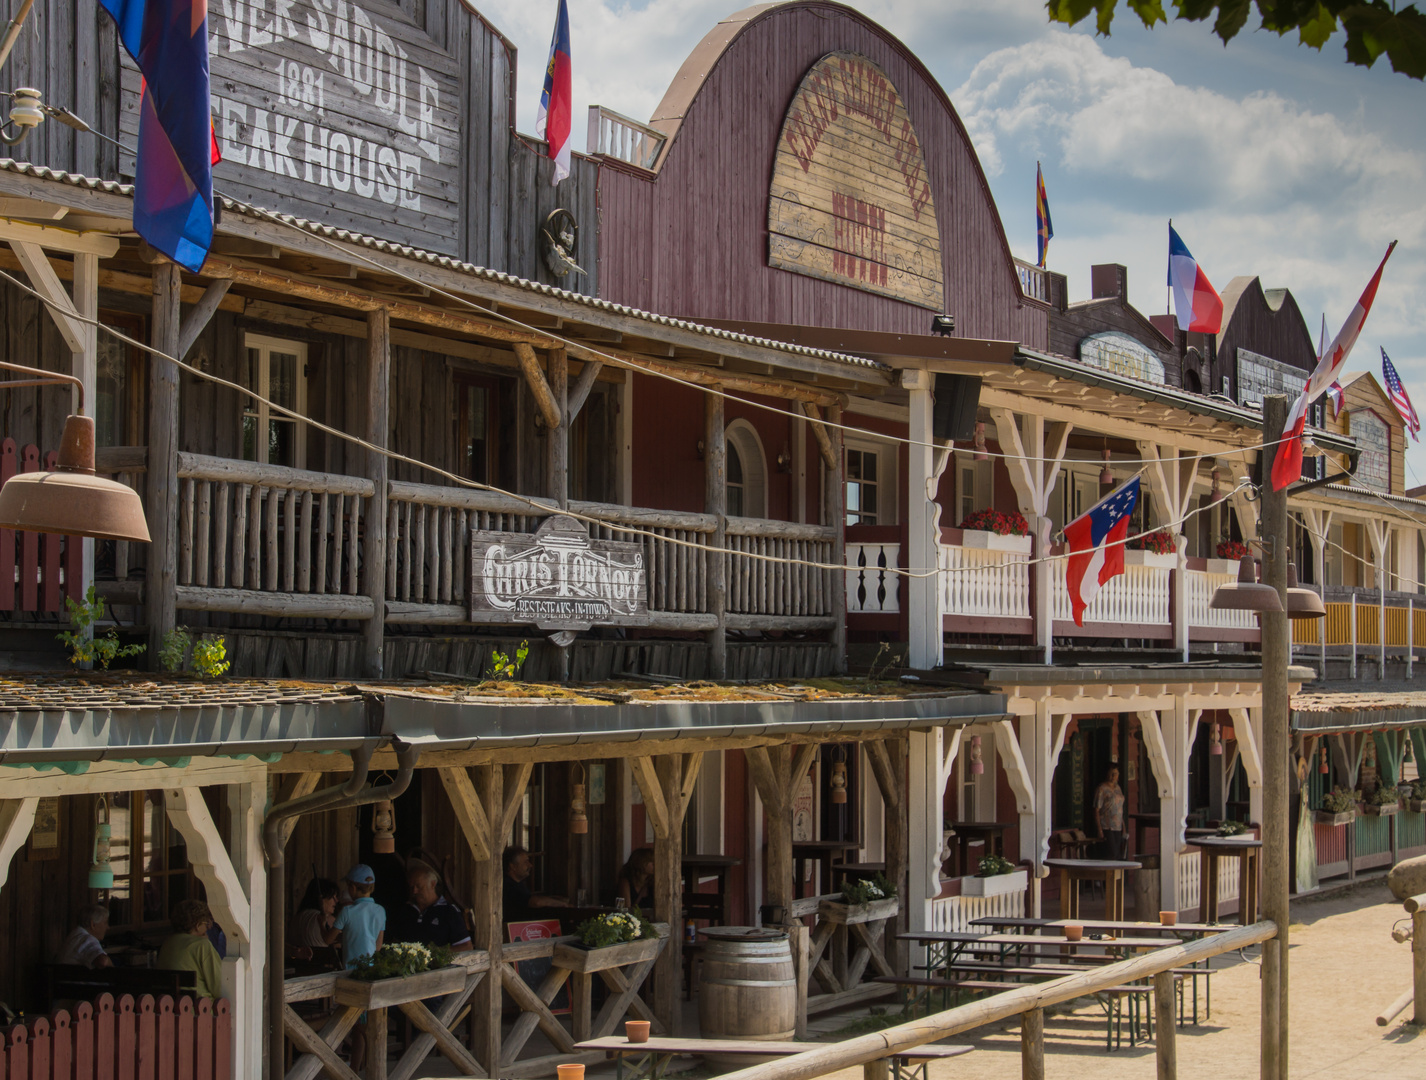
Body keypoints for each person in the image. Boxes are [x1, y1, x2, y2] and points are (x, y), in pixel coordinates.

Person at [389, 862, 472, 950]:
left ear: (433, 884)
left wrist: (435, 953)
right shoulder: (406, 910)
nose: (414, 891)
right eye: (412, 887)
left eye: (419, 886)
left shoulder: (449, 911)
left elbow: (466, 946)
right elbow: (394, 941)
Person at [157, 900, 224, 1000]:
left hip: (170, 1008)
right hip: (200, 1010)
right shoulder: (202, 945)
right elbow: (220, 988)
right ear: (198, 926)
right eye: (206, 924)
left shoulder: (167, 942)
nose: (208, 928)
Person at [326, 865, 385, 964]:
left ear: (352, 888)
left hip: (350, 972)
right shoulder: (380, 911)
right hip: (370, 969)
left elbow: (328, 940)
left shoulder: (347, 911)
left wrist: (321, 923)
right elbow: (378, 946)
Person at [501, 846, 566, 923]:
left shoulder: (519, 884)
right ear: (512, 866)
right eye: (525, 862)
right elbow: (535, 902)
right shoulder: (508, 885)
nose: (530, 865)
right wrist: (564, 905)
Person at [291, 877, 339, 959]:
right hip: (324, 968)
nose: (336, 900)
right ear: (321, 899)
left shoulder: (297, 918)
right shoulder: (328, 919)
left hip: (299, 968)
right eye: (332, 897)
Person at [55, 904, 113, 969]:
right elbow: (103, 961)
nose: (108, 927)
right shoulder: (86, 939)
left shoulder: (75, 935)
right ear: (93, 925)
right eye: (105, 923)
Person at [1093, 766, 1127, 860]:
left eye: (1115, 774)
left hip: (1118, 825)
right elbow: (1096, 810)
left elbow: (1119, 809)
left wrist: (1123, 827)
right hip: (1107, 825)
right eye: (1111, 773)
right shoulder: (1102, 789)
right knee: (1113, 852)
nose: (1113, 776)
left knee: (1118, 853)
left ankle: (1116, 873)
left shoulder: (1118, 788)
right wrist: (1099, 829)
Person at [616, 848, 655, 914]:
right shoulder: (625, 883)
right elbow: (626, 910)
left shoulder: (652, 883)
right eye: (651, 862)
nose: (655, 864)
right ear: (641, 863)